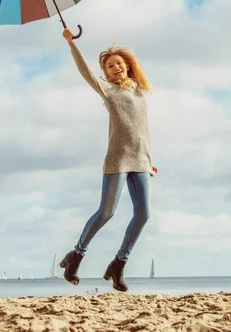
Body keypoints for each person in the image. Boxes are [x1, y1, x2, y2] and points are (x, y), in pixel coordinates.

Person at [59, 29, 157, 292]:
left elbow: (141, 129)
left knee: (143, 214)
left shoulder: (139, 90)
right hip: (117, 160)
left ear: (128, 66)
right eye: (109, 66)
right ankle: (76, 256)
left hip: (141, 161)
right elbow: (86, 72)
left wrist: (149, 159)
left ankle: (118, 264)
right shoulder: (108, 90)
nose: (115, 68)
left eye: (118, 64)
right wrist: (72, 45)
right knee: (106, 212)